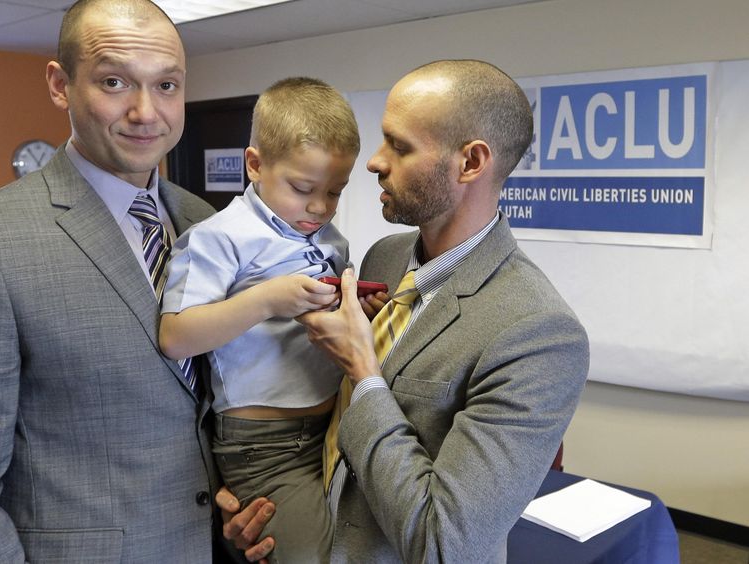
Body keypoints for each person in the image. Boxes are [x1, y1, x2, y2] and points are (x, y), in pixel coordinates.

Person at [0, 0, 258, 561]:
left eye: (166, 85)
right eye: (114, 82)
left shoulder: (204, 221)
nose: (145, 112)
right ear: (60, 85)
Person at [220, 59, 590, 563]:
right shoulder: (385, 258)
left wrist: (365, 372)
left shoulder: (538, 333)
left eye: (399, 145)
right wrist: (266, 507)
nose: (374, 162)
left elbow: (443, 543)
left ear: (471, 163)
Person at [160, 77, 362, 564]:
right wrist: (267, 301)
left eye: (335, 191)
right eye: (303, 188)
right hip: (264, 445)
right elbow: (176, 336)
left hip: (333, 428)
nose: (319, 207)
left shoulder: (328, 238)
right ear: (255, 165)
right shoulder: (221, 237)